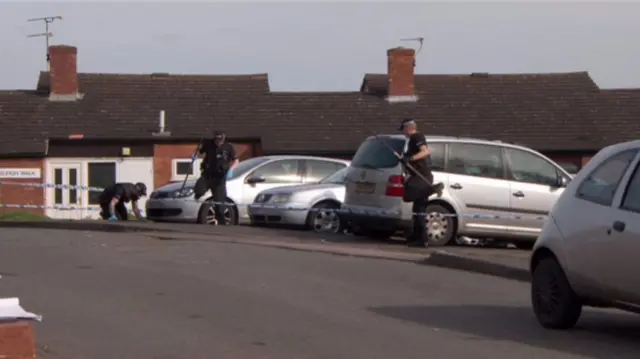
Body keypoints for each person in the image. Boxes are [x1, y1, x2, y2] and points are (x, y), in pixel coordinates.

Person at [398, 118, 445, 248]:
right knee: (417, 208)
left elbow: (425, 152)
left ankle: (422, 239)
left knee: (418, 206)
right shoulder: (411, 140)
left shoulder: (417, 136)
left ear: (409, 128)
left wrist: (410, 158)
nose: (403, 133)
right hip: (417, 176)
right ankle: (416, 236)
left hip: (422, 177)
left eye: (403, 130)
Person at [196, 131, 239, 225]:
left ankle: (222, 223)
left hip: (220, 178)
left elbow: (236, 160)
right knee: (198, 189)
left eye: (220, 140)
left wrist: (231, 169)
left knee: (220, 205)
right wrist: (195, 155)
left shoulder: (229, 147)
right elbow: (200, 153)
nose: (218, 142)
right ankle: (197, 196)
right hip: (207, 175)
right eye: (216, 140)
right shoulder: (209, 144)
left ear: (223, 139)